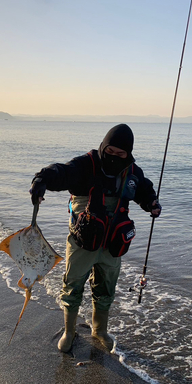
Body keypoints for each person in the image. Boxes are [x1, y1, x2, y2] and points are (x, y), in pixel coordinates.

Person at [30, 124, 161, 353]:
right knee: (73, 285)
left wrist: (152, 203)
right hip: (83, 242)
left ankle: (99, 330)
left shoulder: (132, 171)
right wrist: (42, 180)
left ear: (128, 154)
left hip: (112, 245)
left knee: (106, 288)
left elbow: (143, 190)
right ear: (103, 145)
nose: (114, 157)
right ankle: (69, 331)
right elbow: (62, 172)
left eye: (120, 154)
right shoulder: (86, 165)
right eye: (110, 151)